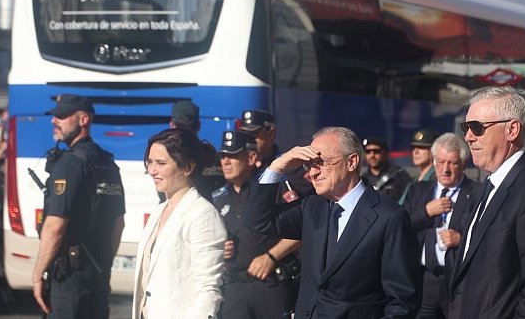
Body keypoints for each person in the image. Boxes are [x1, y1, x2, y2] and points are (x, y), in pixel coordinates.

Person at [245, 126, 420, 318]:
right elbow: (259, 220)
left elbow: (402, 302)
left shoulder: (390, 217)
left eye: (320, 162)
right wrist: (277, 167)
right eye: (309, 164)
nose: (313, 173)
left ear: (352, 162)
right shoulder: (312, 207)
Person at [449, 86, 525, 318]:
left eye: (477, 127)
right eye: (466, 127)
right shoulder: (490, 186)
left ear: (512, 129)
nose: (468, 136)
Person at [32, 94, 126, 318]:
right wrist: (104, 263)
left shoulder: (71, 163)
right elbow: (118, 224)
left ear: (84, 120)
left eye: (63, 116)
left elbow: (55, 226)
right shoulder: (107, 163)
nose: (55, 121)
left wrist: (38, 274)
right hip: (98, 273)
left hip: (70, 277)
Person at [133, 128, 225, 319]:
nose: (152, 170)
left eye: (161, 163)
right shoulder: (159, 211)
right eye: (149, 162)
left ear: (187, 167)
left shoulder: (203, 214)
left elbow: (208, 288)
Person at [211, 130, 300, 318]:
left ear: (251, 157)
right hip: (233, 288)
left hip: (270, 285)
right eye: (223, 156)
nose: (225, 161)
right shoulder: (218, 197)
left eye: (232, 156)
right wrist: (220, 247)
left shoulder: (271, 189)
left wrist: (271, 256)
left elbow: (303, 230)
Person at [402, 132, 480, 319]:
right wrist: (425, 213)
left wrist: (461, 239)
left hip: (458, 281)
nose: (445, 169)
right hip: (424, 280)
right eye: (441, 161)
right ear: (434, 161)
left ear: (463, 164)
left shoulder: (477, 193)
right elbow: (401, 229)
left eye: (452, 163)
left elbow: (486, 235)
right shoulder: (417, 191)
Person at [361, 136, 413, 202]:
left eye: (376, 151)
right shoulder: (362, 180)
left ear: (385, 153)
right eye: (368, 151)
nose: (372, 155)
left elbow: (410, 202)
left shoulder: (399, 175)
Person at [398, 129, 440, 206]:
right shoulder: (415, 180)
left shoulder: (436, 179)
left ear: (434, 151)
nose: (416, 152)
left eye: (421, 147)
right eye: (414, 148)